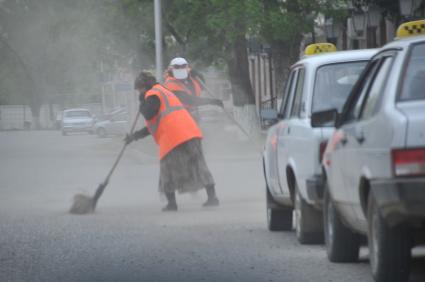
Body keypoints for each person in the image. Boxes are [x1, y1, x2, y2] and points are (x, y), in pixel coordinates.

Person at [125, 71, 223, 211]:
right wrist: (134, 136)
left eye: (139, 90)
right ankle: (212, 198)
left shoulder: (152, 95)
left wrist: (142, 101)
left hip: (173, 137)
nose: (139, 92)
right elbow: (154, 124)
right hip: (191, 132)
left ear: (144, 87)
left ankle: (172, 204)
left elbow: (148, 113)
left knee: (167, 170)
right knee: (198, 165)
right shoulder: (164, 91)